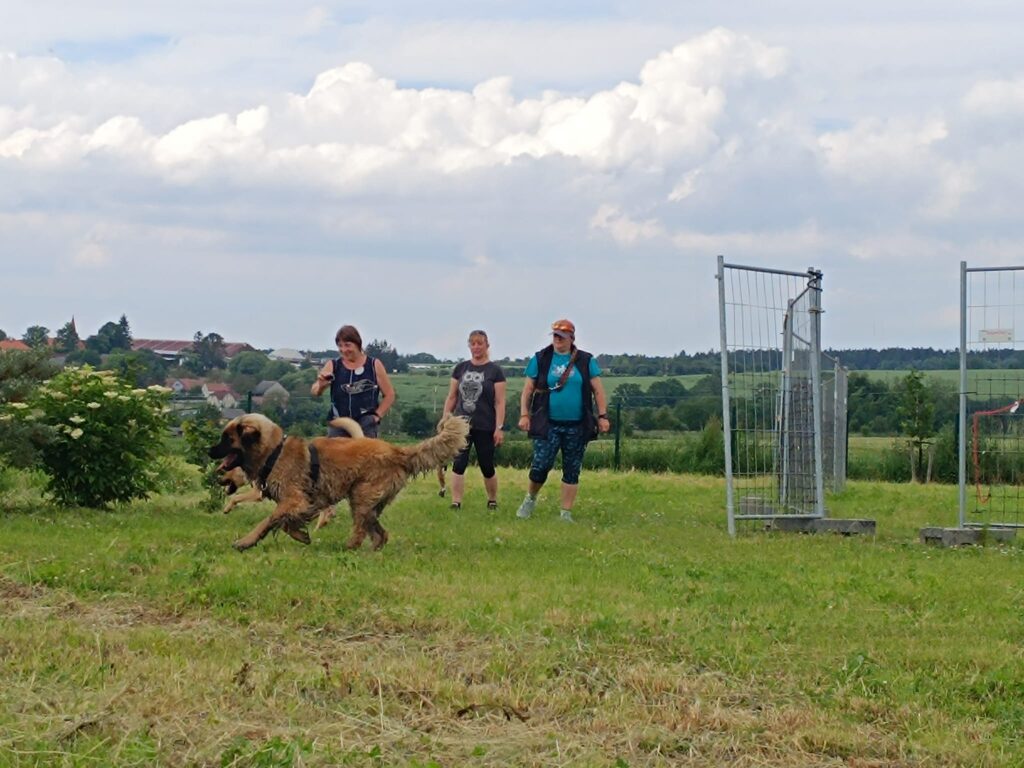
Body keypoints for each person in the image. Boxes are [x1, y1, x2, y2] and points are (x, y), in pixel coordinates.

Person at [515, 319, 610, 522]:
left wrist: (602, 416)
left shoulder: (586, 361)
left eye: (562, 337)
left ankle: (565, 513)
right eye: (555, 336)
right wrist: (524, 414)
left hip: (576, 424)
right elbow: (527, 390)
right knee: (541, 465)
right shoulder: (541, 359)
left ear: (571, 339)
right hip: (547, 422)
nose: (557, 340)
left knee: (572, 469)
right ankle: (530, 499)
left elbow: (598, 391)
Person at [442, 329, 507, 509]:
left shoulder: (495, 371)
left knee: (486, 465)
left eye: (480, 343)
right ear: (469, 346)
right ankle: (456, 501)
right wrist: (445, 418)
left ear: (487, 345)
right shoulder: (461, 368)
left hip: (485, 425)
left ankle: (492, 499)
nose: (476, 347)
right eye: (473, 343)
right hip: (462, 424)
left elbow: (500, 402)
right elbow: (452, 396)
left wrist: (499, 427)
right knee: (459, 463)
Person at [311, 324, 396, 438]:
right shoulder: (333, 365)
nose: (343, 350)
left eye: (347, 345)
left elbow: (389, 395)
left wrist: (376, 416)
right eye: (340, 346)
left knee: (365, 455)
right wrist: (321, 385)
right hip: (339, 425)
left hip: (366, 425)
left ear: (357, 344)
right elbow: (315, 391)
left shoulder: (373, 365)